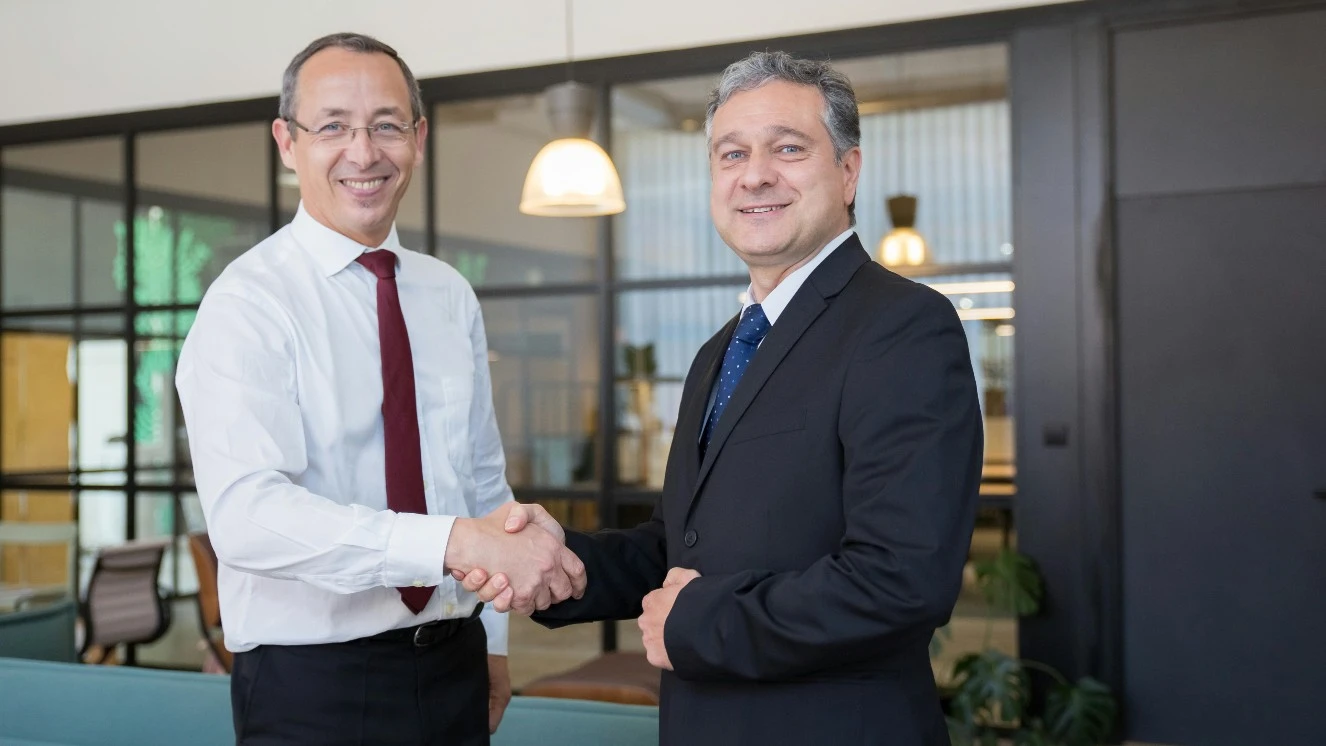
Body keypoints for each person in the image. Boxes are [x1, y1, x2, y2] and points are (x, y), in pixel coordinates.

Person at [460, 51, 983, 745]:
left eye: (788, 149)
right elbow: (683, 546)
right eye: (731, 154)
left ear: (848, 171)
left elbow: (901, 581)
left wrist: (695, 620)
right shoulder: (723, 350)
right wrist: (568, 566)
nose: (755, 174)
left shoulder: (903, 326)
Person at [176, 32, 583, 746]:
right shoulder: (247, 303)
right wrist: (449, 543)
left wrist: (492, 642)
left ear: (418, 139)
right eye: (332, 126)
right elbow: (247, 516)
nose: (363, 153)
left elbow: (483, 485)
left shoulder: (448, 293)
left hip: (454, 667)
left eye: (387, 125)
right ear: (286, 141)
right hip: (315, 689)